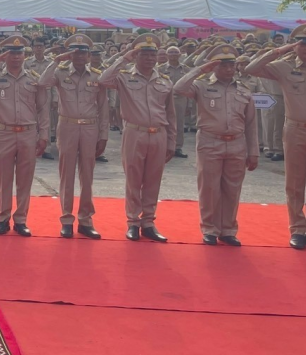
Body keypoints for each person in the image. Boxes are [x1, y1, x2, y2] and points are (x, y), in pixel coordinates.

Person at [173, 44, 258, 246]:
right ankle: (209, 228)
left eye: (232, 65)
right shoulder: (202, 86)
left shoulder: (244, 91)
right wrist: (201, 69)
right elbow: (178, 88)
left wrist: (253, 152)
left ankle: (228, 229)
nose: (229, 69)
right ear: (214, 67)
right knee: (209, 187)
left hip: (236, 143)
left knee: (232, 188)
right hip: (210, 142)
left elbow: (251, 124)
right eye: (223, 65)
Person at [245, 23, 306, 250]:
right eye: (303, 43)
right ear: (295, 46)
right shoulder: (284, 67)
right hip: (295, 129)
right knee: (294, 183)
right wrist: (280, 51)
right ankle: (297, 228)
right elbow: (251, 68)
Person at [99, 34, 177, 242]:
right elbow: (103, 79)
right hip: (135, 133)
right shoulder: (125, 76)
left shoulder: (165, 81)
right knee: (134, 180)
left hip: (158, 133)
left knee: (153, 180)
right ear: (136, 56)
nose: (150, 59)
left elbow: (170, 114)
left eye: (153, 55)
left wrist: (172, 141)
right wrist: (124, 57)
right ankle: (133, 222)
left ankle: (149, 222)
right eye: (144, 54)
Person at [0, 35, 49, 237]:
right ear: (6, 55)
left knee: (25, 179)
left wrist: (44, 134)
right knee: (4, 178)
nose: (16, 57)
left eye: (19, 53)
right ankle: (3, 218)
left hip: (27, 132)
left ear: (25, 55)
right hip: (4, 132)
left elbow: (42, 107)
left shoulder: (33, 77)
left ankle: (21, 219)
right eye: (12, 53)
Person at [38, 34, 108, 238]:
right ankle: (66, 218)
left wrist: (103, 135)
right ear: (70, 54)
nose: (79, 56)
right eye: (75, 52)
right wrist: (58, 60)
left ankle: (86, 220)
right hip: (67, 126)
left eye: (83, 52)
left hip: (89, 128)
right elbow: (42, 82)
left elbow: (103, 107)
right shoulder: (60, 73)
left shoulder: (97, 76)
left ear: (88, 56)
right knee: (66, 174)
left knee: (87, 176)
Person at [159, 46, 191, 159]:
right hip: (163, 99)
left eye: (175, 52)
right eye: (170, 52)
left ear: (180, 55)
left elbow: (190, 87)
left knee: (179, 124)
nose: (173, 54)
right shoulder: (160, 69)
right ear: (167, 55)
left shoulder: (186, 69)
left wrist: (189, 105)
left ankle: (177, 147)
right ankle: (163, 146)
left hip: (180, 99)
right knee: (163, 123)